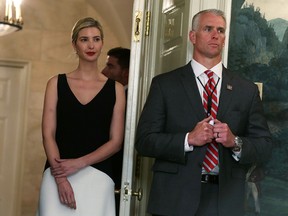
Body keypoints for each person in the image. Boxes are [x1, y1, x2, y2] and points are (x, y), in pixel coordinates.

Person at [135, 9, 273, 216]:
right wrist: (188, 139)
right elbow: (144, 141)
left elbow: (264, 146)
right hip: (174, 199)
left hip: (225, 201)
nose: (215, 35)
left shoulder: (246, 90)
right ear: (193, 36)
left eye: (220, 30)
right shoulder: (165, 84)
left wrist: (235, 142)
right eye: (208, 29)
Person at [37, 17, 126, 216]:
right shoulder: (55, 84)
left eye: (96, 39)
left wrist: (79, 163)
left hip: (99, 176)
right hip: (57, 175)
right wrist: (60, 179)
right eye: (84, 39)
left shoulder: (116, 90)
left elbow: (116, 141)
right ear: (74, 45)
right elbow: (48, 134)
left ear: (102, 43)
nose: (91, 44)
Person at [102, 47, 130, 216]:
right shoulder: (109, 97)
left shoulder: (130, 101)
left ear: (126, 73)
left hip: (117, 180)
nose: (103, 71)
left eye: (110, 66)